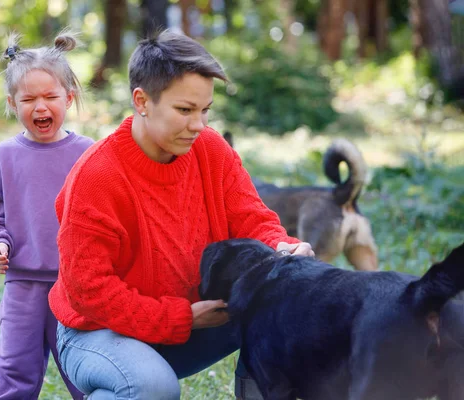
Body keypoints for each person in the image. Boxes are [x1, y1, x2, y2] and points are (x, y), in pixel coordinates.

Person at [48, 29, 314, 400]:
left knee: (290, 308)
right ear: (141, 100)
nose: (198, 125)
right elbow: (88, 291)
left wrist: (284, 248)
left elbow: (253, 220)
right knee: (152, 387)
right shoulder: (97, 176)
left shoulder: (210, 149)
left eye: (205, 110)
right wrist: (179, 318)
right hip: (96, 332)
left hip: (189, 320)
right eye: (185, 110)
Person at [0, 29, 94, 400]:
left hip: (76, 287)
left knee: (87, 371)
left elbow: (106, 212)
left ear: (69, 98)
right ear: (13, 103)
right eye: (28, 99)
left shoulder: (88, 154)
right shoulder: (5, 156)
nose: (40, 107)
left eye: (50, 97)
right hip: (22, 286)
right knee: (14, 369)